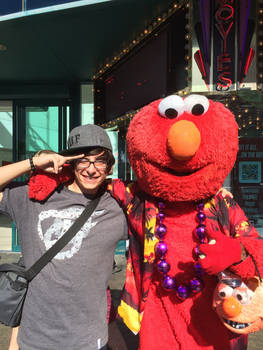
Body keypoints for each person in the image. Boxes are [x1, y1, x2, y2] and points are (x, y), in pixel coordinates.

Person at [0, 124, 128, 350]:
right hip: (34, 339)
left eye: (100, 161)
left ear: (109, 167)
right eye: (83, 160)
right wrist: (33, 162)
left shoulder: (117, 208)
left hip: (89, 341)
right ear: (70, 162)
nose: (91, 169)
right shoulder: (34, 197)